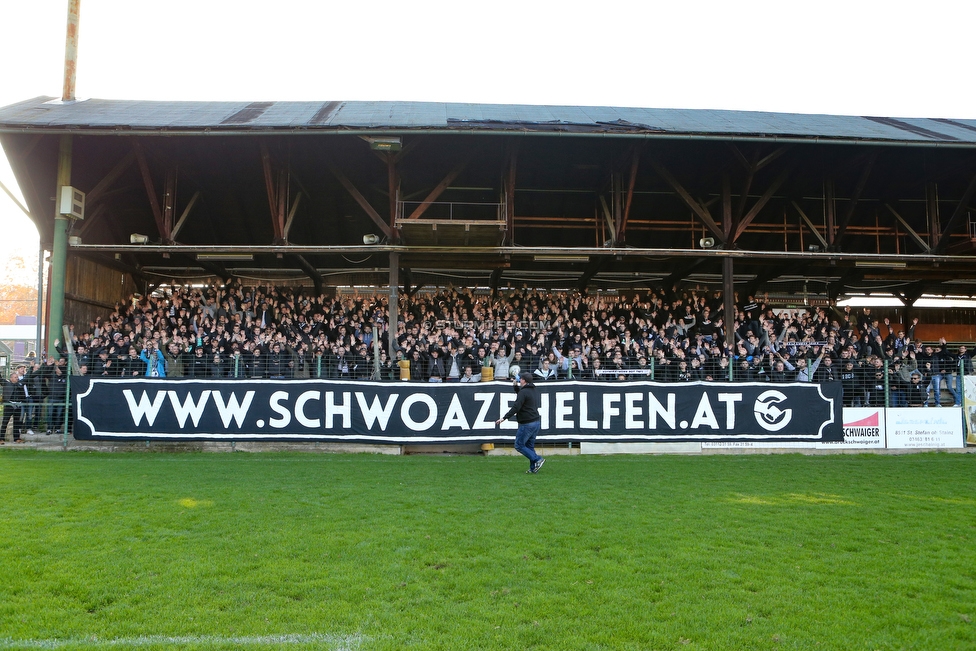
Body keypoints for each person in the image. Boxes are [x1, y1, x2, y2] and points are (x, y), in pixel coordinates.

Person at [495, 372, 545, 474]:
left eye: (520, 379)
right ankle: (533, 468)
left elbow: (516, 407)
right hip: (536, 422)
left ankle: (537, 459)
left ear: (523, 380)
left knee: (519, 445)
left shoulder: (524, 392)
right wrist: (515, 387)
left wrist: (504, 418)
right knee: (529, 446)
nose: (519, 380)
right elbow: (523, 396)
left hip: (527, 424)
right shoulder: (533, 390)